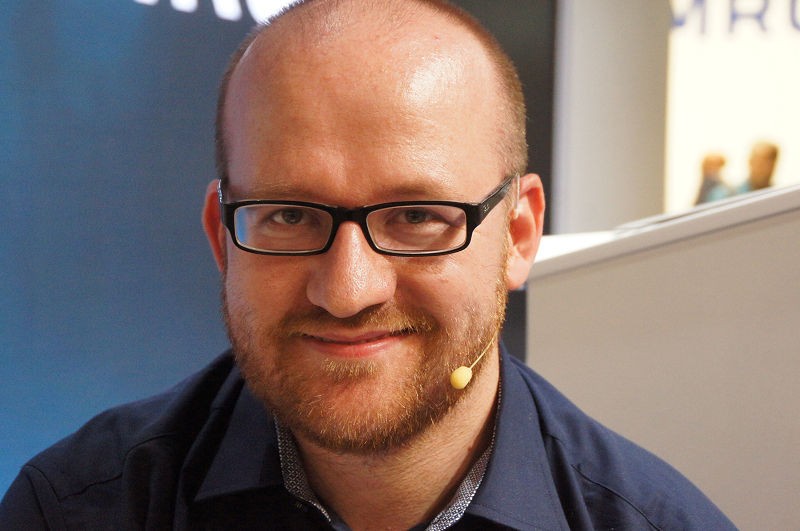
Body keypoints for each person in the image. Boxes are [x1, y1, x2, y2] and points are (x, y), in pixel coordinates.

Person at [1, 1, 736, 529]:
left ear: (517, 235)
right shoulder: (74, 509)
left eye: (416, 216)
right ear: (222, 240)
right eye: (290, 215)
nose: (347, 290)